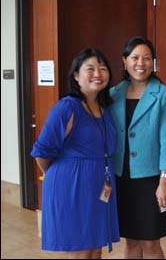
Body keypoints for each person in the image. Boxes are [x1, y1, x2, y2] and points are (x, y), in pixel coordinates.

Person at [31, 48, 119, 259]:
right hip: (72, 186)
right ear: (76, 76)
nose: (97, 73)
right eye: (90, 69)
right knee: (81, 251)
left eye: (103, 68)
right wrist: (61, 176)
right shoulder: (67, 107)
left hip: (99, 184)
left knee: (95, 247)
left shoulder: (104, 107)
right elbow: (41, 152)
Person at [110, 36, 166, 259]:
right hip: (122, 179)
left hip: (152, 180)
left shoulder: (163, 94)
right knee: (130, 242)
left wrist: (164, 181)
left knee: (150, 243)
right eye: (135, 57)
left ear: (154, 63)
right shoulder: (113, 94)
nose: (141, 63)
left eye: (147, 58)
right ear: (124, 61)